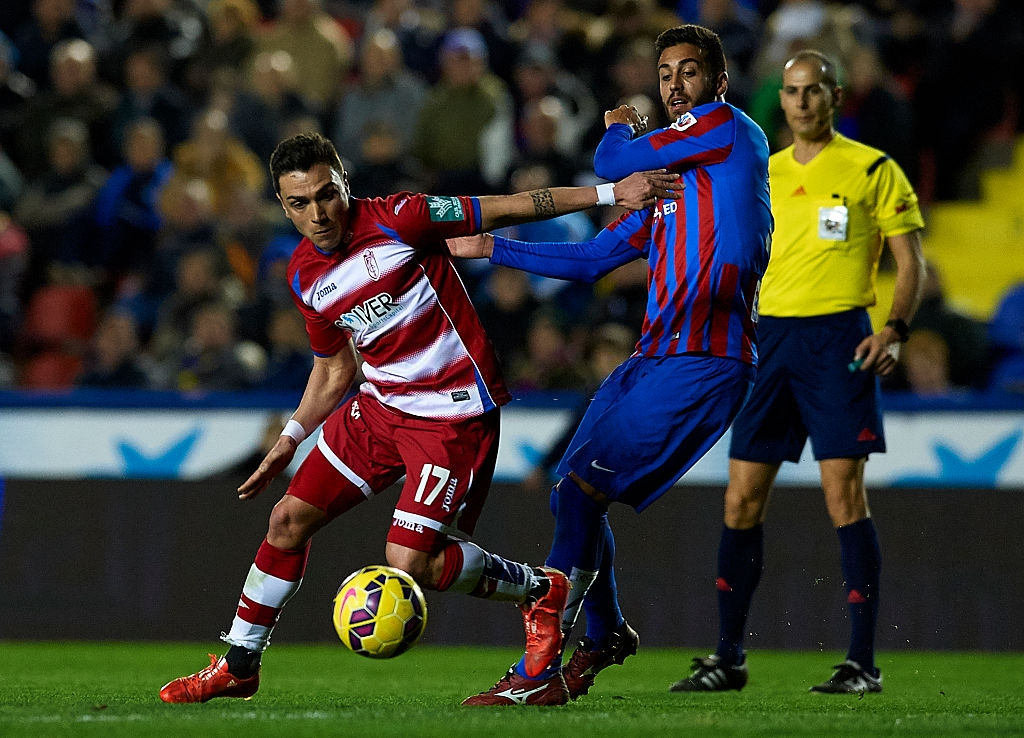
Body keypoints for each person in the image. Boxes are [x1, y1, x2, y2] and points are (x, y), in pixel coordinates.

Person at [157, 131, 678, 703]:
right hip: (380, 410)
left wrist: (611, 192)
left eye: (326, 195)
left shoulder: (403, 218)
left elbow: (513, 206)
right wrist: (291, 436)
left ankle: (542, 589)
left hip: (451, 414)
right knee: (286, 521)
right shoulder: (305, 275)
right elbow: (333, 370)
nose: (318, 213)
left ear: (344, 183)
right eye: (300, 203)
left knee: (412, 563)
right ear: (283, 206)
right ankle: (240, 664)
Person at [451, 24, 772, 705]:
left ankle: (538, 670)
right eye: (665, 74)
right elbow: (595, 258)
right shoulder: (669, 188)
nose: (675, 84)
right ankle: (606, 632)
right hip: (652, 356)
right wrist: (490, 247)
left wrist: (620, 123)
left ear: (716, 82)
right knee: (572, 491)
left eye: (689, 72)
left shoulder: (728, 130)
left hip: (705, 358)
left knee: (587, 492)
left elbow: (607, 158)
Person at [672, 49, 925, 696]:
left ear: (835, 96)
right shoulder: (761, 169)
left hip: (840, 336)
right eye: (791, 92)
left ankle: (862, 663)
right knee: (740, 497)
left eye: (814, 91)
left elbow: (909, 259)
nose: (803, 102)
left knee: (844, 495)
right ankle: (728, 657)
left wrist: (895, 328)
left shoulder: (872, 168)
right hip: (768, 338)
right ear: (779, 101)